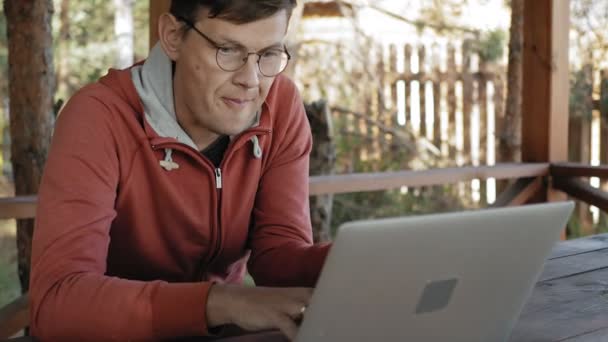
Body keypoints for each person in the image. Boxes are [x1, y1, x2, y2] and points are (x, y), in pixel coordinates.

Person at [29, 1, 331, 340]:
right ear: (173, 37)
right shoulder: (99, 117)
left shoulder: (280, 105)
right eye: (228, 50)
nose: (251, 81)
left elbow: (279, 258)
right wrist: (220, 302)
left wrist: (355, 262)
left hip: (222, 330)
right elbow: (58, 302)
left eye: (269, 54)